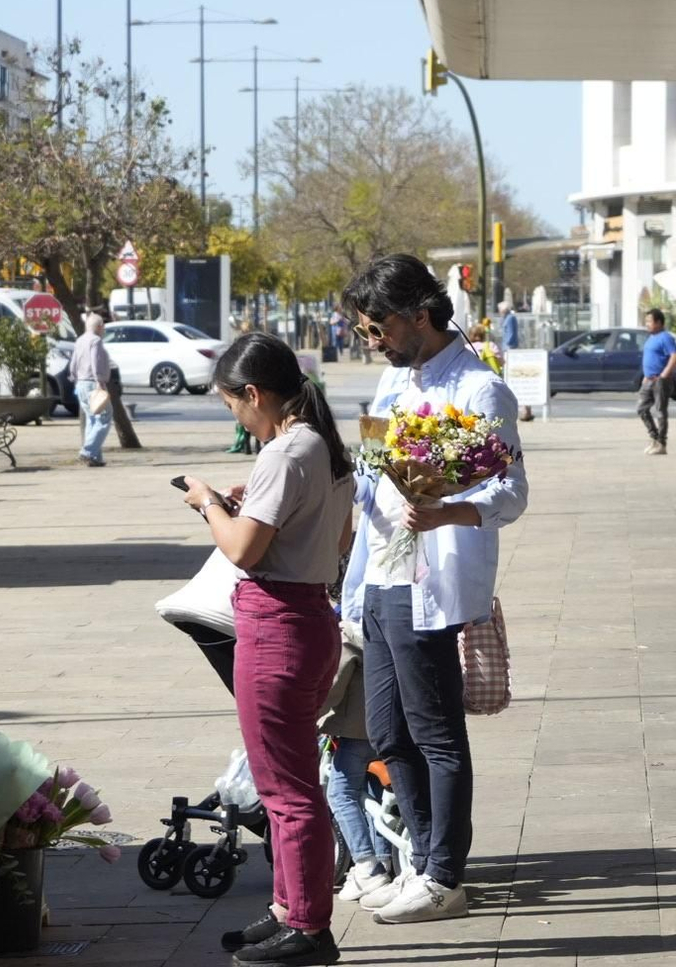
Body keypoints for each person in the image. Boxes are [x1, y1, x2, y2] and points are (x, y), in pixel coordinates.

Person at [339, 254, 529, 924]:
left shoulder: (481, 389)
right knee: (388, 730)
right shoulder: (394, 382)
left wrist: (448, 508)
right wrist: (351, 574)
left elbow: (510, 490)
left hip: (433, 579)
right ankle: (419, 857)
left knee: (435, 730)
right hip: (382, 571)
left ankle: (446, 871)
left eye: (379, 327)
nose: (374, 341)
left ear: (418, 312)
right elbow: (369, 485)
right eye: (366, 332)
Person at [183, 332, 355, 966]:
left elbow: (242, 551)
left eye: (233, 406)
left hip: (277, 624)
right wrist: (245, 505)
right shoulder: (327, 447)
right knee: (288, 776)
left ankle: (309, 926)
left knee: (286, 788)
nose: (236, 418)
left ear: (254, 394)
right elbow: (337, 539)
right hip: (309, 617)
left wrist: (207, 503)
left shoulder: (285, 452)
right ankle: (288, 907)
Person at [319, 615, 396, 903]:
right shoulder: (388, 623)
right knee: (374, 790)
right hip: (389, 726)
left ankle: (366, 866)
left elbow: (334, 684)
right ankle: (384, 859)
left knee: (340, 794)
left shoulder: (350, 634)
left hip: (357, 731)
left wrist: (312, 712)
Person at [69, 312, 112, 467]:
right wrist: (99, 381)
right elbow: (95, 362)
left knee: (92, 419)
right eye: (103, 326)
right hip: (92, 383)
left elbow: (73, 363)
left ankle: (95, 457)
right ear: (99, 327)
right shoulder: (96, 341)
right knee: (105, 416)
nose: (104, 329)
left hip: (80, 383)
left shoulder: (79, 340)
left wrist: (74, 378)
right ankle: (87, 451)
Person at [637, 308, 676, 455]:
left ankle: (661, 443)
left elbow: (674, 356)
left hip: (660, 381)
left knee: (660, 411)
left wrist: (664, 375)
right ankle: (654, 437)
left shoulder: (665, 337)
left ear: (659, 322)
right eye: (646, 321)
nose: (647, 324)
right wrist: (645, 376)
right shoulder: (651, 338)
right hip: (648, 379)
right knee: (642, 409)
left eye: (649, 321)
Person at [498, 301, 533, 422]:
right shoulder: (507, 318)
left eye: (500, 310)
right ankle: (525, 410)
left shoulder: (511, 318)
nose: (499, 312)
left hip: (510, 350)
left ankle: (525, 410)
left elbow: (511, 334)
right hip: (508, 349)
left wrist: (508, 348)